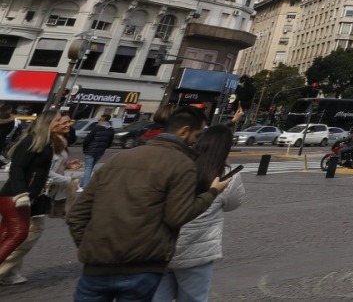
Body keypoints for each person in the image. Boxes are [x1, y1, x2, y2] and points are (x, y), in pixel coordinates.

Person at [67, 107, 228, 302]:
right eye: (197, 134)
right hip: (143, 266)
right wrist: (211, 193)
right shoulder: (182, 164)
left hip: (96, 266)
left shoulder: (119, 158)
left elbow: (77, 214)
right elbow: (177, 216)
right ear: (184, 131)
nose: (197, 141)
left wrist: (89, 248)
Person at [152, 126, 244, 302]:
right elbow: (233, 204)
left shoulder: (179, 165)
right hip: (197, 252)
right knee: (194, 298)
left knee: (157, 298)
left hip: (162, 246)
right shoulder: (225, 175)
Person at [0, 109, 73, 285]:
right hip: (16, 196)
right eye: (58, 121)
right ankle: (6, 270)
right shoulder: (33, 141)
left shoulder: (44, 142)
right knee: (20, 233)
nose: (65, 125)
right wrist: (22, 193)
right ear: (48, 122)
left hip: (23, 195)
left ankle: (9, 272)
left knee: (6, 234)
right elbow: (17, 167)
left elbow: (38, 170)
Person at [80, 115, 117, 192]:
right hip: (100, 151)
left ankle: (85, 185)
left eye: (100, 118)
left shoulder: (96, 128)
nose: (98, 119)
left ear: (102, 119)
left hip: (91, 149)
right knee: (90, 167)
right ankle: (82, 183)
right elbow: (109, 143)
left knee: (88, 167)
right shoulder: (111, 130)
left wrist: (85, 148)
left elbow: (87, 139)